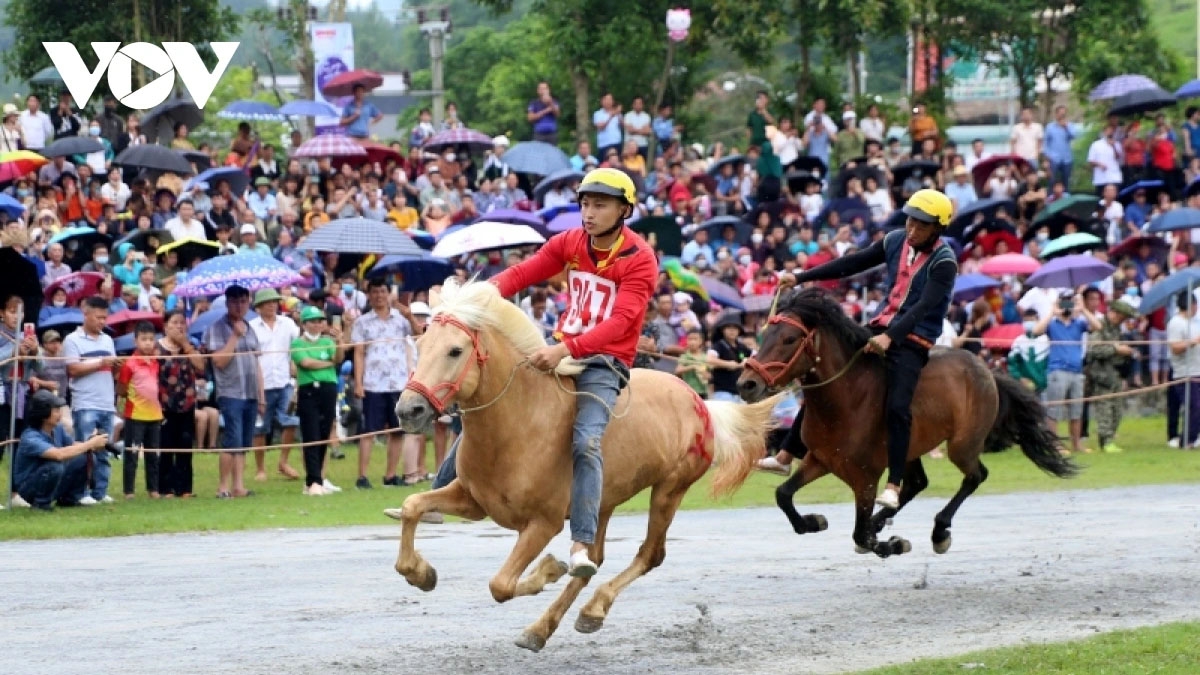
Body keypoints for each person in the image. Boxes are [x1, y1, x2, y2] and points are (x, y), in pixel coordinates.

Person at [431, 167, 657, 578]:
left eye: (600, 206)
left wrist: (564, 349)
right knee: (487, 404)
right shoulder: (569, 242)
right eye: (585, 204)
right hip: (558, 346)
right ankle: (439, 495)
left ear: (624, 210)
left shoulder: (639, 259)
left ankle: (582, 542)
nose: (589, 213)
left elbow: (622, 323)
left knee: (587, 441)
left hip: (603, 362)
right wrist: (478, 296)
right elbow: (522, 273)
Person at [776, 189, 958, 509]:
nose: (912, 231)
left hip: (914, 339)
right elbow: (851, 263)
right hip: (879, 327)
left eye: (922, 227)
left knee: (899, 405)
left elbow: (923, 307)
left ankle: (894, 484)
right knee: (830, 373)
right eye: (911, 223)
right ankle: (785, 455)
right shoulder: (895, 240)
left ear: (938, 229)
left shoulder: (945, 263)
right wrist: (801, 277)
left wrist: (892, 337)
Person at [203, 285, 265, 499]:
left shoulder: (251, 326)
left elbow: (256, 362)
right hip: (230, 391)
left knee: (244, 441)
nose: (239, 306)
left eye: (243, 301)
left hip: (250, 392)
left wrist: (262, 396)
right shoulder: (216, 328)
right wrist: (234, 337)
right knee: (232, 439)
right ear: (227, 303)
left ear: (248, 303)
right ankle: (223, 486)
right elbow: (218, 362)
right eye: (234, 301)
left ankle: (239, 486)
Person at [350, 279, 413, 489]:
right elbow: (359, 352)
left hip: (398, 380)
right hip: (373, 382)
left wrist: (410, 315)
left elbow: (419, 334)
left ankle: (391, 474)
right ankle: (361, 476)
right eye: (374, 292)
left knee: (397, 431)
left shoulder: (400, 320)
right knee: (369, 430)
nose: (379, 295)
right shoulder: (362, 322)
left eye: (382, 291)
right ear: (368, 295)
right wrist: (358, 382)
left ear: (389, 294)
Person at [63, 296, 120, 505]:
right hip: (85, 402)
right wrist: (100, 363)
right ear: (85, 314)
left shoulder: (108, 340)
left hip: (106, 401)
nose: (102, 322)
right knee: (84, 450)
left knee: (105, 450)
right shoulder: (72, 340)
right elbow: (73, 369)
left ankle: (100, 491)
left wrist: (115, 367)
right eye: (98, 317)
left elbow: (109, 369)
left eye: (105, 318)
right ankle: (82, 492)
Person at [12, 389, 109, 510]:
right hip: (29, 487)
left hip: (51, 479)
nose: (60, 415)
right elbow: (58, 455)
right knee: (54, 466)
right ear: (44, 414)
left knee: (85, 457)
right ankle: (41, 504)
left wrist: (93, 443)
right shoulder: (30, 437)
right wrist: (89, 444)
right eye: (56, 411)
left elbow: (73, 446)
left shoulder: (57, 429)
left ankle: (70, 498)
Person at [1033, 290, 1102, 454]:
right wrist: (1052, 311)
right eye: (1064, 302)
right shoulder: (1052, 324)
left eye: (1069, 302)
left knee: (1076, 410)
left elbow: (1098, 326)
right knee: (1054, 410)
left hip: (1076, 371)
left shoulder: (1078, 323)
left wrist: (1083, 308)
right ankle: (1054, 445)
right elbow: (1036, 331)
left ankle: (1077, 444)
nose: (1067, 306)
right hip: (1057, 370)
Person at [291, 306, 347, 495]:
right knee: (311, 435)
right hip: (309, 391)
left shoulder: (327, 341)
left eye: (320, 321)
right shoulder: (298, 343)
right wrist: (328, 364)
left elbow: (338, 358)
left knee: (324, 434)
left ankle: (317, 479)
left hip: (328, 389)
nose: (317, 324)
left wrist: (339, 341)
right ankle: (312, 480)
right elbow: (306, 363)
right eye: (313, 321)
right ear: (304, 323)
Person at [249, 289, 301, 481]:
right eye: (267, 302)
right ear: (259, 307)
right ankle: (260, 468)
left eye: (274, 302)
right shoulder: (251, 327)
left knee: (290, 421)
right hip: (261, 383)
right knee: (260, 427)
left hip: (284, 380)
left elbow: (299, 342)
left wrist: (294, 364)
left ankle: (283, 462)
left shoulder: (287, 323)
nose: (272, 305)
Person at [157, 310, 205, 498]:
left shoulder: (190, 346)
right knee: (166, 445)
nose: (179, 327)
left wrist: (185, 344)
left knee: (185, 444)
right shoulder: (156, 348)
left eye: (182, 323)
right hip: (164, 404)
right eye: (174, 323)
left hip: (186, 402)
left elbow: (201, 366)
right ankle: (166, 488)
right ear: (165, 326)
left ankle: (185, 488)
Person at [117, 321, 163, 499]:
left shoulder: (156, 362)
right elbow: (121, 389)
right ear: (135, 341)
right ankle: (129, 490)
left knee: (153, 454)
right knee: (132, 454)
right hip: (135, 415)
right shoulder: (130, 364)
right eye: (143, 339)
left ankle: (153, 489)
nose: (147, 343)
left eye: (151, 339)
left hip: (155, 415)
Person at [1084, 301, 1136, 454]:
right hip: (1102, 376)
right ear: (1113, 312)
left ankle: (1111, 438)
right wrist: (1116, 349)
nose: (1122, 320)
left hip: (1116, 374)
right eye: (1121, 317)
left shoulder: (1117, 329)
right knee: (1105, 410)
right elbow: (1094, 350)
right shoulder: (1099, 326)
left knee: (1117, 410)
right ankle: (1105, 441)